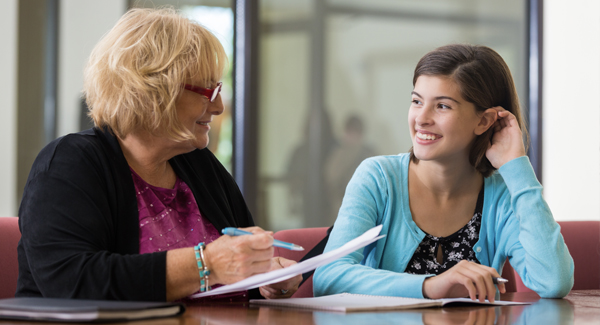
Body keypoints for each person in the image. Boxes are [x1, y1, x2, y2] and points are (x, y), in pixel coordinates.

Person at [16, 7, 301, 302]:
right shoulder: (69, 164)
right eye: (206, 91)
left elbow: (233, 276)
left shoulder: (200, 165)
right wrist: (206, 264)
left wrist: (265, 278)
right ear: (151, 91)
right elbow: (73, 283)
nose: (218, 108)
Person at [313, 44, 574, 301]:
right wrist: (431, 286)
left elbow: (553, 281)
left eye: (442, 106)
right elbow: (329, 278)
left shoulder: (503, 195)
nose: (421, 118)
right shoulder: (378, 177)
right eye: (417, 101)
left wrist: (516, 166)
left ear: (483, 121)